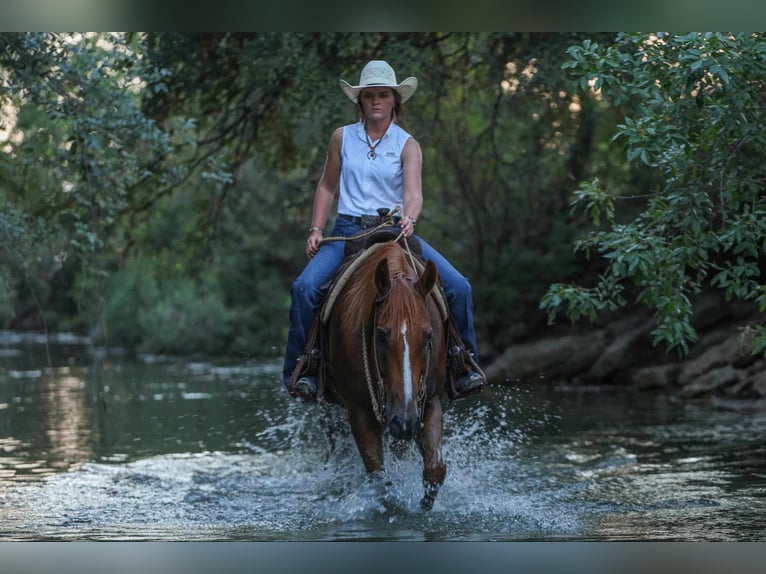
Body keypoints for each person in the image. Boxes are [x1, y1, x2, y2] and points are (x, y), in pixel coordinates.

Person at [283, 60, 484, 400]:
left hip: (395, 231)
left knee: (460, 287)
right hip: (347, 231)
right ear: (360, 101)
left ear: (394, 100)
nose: (376, 101)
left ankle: (462, 364)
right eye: (369, 95)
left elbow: (413, 192)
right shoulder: (341, 137)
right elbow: (327, 187)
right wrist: (316, 228)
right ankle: (303, 370)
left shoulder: (408, 144)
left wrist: (410, 216)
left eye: (383, 95)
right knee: (304, 288)